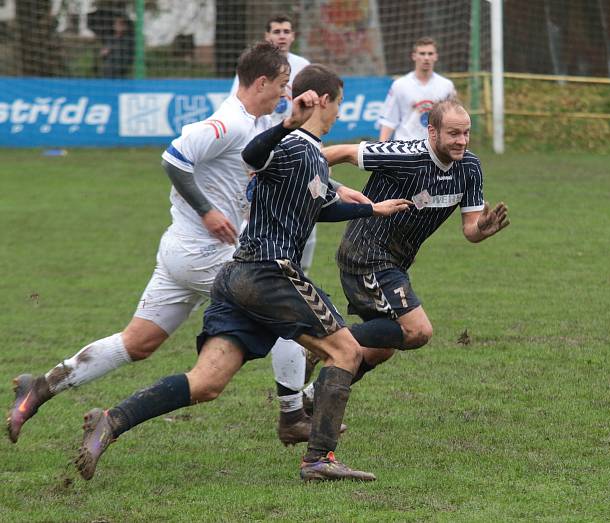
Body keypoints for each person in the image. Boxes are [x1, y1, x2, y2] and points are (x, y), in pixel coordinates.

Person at [5, 42, 359, 447]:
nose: (284, 93)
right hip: (207, 254)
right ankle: (293, 415)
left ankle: (42, 385)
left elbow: (284, 168)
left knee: (137, 342)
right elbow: (174, 158)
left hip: (180, 253)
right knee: (284, 312)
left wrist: (335, 187)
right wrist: (208, 210)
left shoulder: (259, 126)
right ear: (260, 81)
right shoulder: (229, 122)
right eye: (281, 84)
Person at [74, 64, 412, 482]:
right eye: (339, 103)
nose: (341, 112)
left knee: (207, 383)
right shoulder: (292, 144)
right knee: (345, 352)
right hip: (271, 273)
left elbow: (319, 207)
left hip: (238, 277)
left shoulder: (311, 158)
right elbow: (253, 154)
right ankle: (319, 460)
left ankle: (111, 420)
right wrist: (289, 121)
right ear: (323, 100)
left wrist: (370, 208)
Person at [307, 98, 509, 394]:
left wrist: (482, 229)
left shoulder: (470, 167)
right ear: (432, 132)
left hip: (394, 263)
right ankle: (324, 339)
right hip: (366, 253)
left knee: (381, 348)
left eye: (466, 133)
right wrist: (301, 174)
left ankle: (311, 398)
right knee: (417, 331)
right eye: (454, 134)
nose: (462, 141)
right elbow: (344, 152)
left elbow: (470, 230)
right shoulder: (404, 154)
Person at [230, 15, 330, 428]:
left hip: (286, 195)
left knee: (290, 288)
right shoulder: (241, 109)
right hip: (257, 211)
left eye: (287, 31)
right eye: (276, 31)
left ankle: (295, 408)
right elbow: (249, 155)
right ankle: (300, 413)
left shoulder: (302, 71)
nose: (287, 91)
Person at [378, 36, 456, 142]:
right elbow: (389, 121)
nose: (426, 58)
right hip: (406, 146)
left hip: (435, 148)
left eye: (430, 54)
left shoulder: (446, 86)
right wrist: (379, 150)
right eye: (422, 53)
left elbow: (452, 120)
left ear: (436, 57)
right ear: (414, 56)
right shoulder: (400, 85)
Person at [99, 13, 134, 78]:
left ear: (125, 27)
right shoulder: (110, 38)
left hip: (119, 72)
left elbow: (127, 58)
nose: (117, 26)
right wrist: (104, 52)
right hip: (107, 72)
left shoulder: (127, 40)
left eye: (120, 24)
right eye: (116, 24)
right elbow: (103, 54)